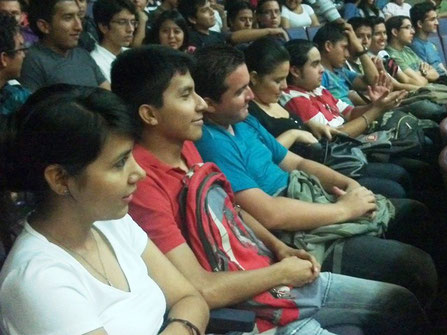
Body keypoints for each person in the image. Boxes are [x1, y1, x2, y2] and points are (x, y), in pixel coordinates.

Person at [111, 44, 431, 335]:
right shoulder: (142, 182)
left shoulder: (185, 146)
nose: (199, 106)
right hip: (254, 309)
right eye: (185, 96)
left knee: (398, 304)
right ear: (149, 114)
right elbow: (199, 287)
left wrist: (279, 249)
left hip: (271, 272)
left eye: (196, 93)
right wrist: (281, 273)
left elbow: (230, 209)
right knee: (406, 278)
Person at [0, 84, 210, 334]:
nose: (139, 172)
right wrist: (185, 325)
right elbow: (188, 305)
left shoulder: (110, 222)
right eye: (120, 163)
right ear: (60, 178)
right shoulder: (38, 281)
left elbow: (190, 299)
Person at [246, 37, 412, 199]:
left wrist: (377, 104)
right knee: (398, 184)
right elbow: (266, 156)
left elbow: (348, 113)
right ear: (253, 78)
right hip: (316, 170)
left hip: (332, 159)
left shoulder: (276, 99)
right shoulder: (255, 111)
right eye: (278, 80)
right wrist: (294, 133)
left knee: (406, 171)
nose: (284, 86)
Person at [20, 0, 110, 92]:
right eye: (68, 18)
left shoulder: (82, 54)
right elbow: (32, 105)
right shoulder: (32, 62)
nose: (79, 27)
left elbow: (107, 95)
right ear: (44, 26)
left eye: (79, 17)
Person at [315, 22, 380, 106]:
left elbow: (373, 80)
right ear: (328, 46)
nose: (347, 55)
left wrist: (360, 50)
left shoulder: (340, 71)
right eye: (344, 47)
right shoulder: (320, 75)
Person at [91, 0, 137, 82]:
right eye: (122, 22)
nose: (131, 29)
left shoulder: (133, 54)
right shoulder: (95, 62)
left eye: (133, 22)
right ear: (103, 27)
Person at [385, 15, 440, 84]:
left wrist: (422, 74)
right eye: (407, 28)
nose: (413, 31)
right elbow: (420, 82)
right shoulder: (391, 55)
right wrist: (425, 73)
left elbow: (436, 74)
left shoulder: (407, 49)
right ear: (395, 32)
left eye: (412, 27)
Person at [0, 13, 30, 116]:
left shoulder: (16, 93)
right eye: (21, 49)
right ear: (3, 58)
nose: (24, 56)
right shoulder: (16, 101)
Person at [410, 2, 447, 77]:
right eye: (432, 19)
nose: (437, 23)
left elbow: (441, 67)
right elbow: (427, 72)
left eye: (436, 19)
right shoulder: (416, 46)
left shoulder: (431, 44)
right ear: (420, 23)